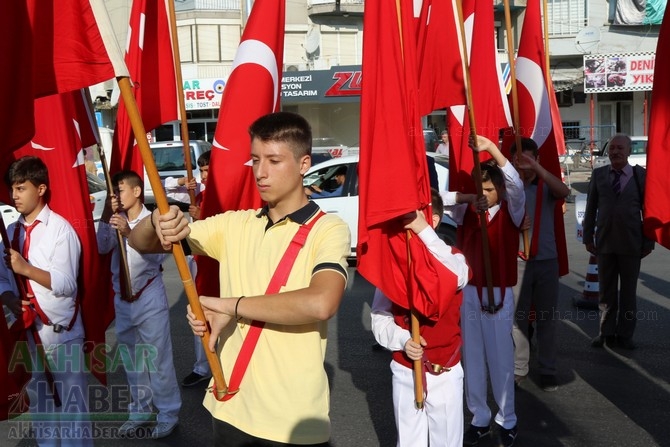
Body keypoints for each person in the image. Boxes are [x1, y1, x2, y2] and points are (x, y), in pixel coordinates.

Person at [128, 111, 351, 446]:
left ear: (304, 164)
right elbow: (140, 243)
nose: (260, 173)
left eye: (274, 161)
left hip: (292, 422)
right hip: (228, 406)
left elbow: (321, 303)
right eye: (255, 160)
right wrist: (158, 222)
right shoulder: (235, 224)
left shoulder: (328, 229)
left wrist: (229, 306)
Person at [0, 156, 92, 447]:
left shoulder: (60, 230)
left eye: (21, 188)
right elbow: (2, 277)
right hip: (28, 332)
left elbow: (67, 284)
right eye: (12, 189)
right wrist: (9, 297)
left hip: (60, 333)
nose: (14, 196)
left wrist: (26, 269)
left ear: (40, 189)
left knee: (73, 408)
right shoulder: (12, 232)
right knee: (41, 406)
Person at [441, 135, 525, 447]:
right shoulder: (466, 212)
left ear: (500, 190)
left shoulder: (512, 210)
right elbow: (438, 197)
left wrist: (491, 149)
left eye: (489, 190)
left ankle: (508, 418)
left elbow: (516, 185)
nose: (484, 195)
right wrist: (466, 198)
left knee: (501, 358)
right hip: (470, 292)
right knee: (473, 358)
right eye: (480, 189)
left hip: (499, 292)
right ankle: (479, 416)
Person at [370, 189, 470, 447]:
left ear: (433, 220)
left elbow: (455, 276)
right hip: (406, 367)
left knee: (447, 442)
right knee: (409, 442)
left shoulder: (455, 257)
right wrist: (403, 339)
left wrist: (423, 230)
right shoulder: (394, 266)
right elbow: (379, 316)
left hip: (445, 372)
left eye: (412, 218)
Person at [96, 170, 181, 438]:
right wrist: (107, 215)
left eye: (120, 191)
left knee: (158, 359)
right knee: (132, 361)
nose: (116, 197)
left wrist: (130, 231)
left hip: (148, 294)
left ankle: (168, 412)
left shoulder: (151, 218)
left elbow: (156, 256)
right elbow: (101, 246)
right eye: (114, 193)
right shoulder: (114, 219)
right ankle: (140, 410)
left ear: (135, 191)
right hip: (122, 299)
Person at [509, 138, 570, 392]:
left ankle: (547, 369)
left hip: (546, 260)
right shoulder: (509, 188)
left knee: (546, 317)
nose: (524, 164)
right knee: (518, 318)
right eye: (520, 159)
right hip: (518, 261)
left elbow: (564, 192)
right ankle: (519, 367)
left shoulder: (546, 186)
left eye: (529, 158)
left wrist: (537, 168)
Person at [583, 134, 654, 350]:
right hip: (604, 243)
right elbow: (591, 207)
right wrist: (588, 237)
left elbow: (648, 210)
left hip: (632, 244)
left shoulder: (640, 175)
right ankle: (606, 333)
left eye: (620, 148)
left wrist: (648, 242)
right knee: (607, 292)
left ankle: (625, 335)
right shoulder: (599, 175)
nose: (615, 151)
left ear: (629, 151)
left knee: (628, 293)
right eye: (612, 147)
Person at [180, 151, 213, 387]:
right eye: (201, 171)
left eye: (207, 170)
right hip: (198, 261)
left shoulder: (225, 196)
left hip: (220, 262)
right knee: (198, 313)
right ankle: (202, 367)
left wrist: (203, 216)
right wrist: (184, 182)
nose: (203, 175)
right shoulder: (197, 194)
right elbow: (161, 186)